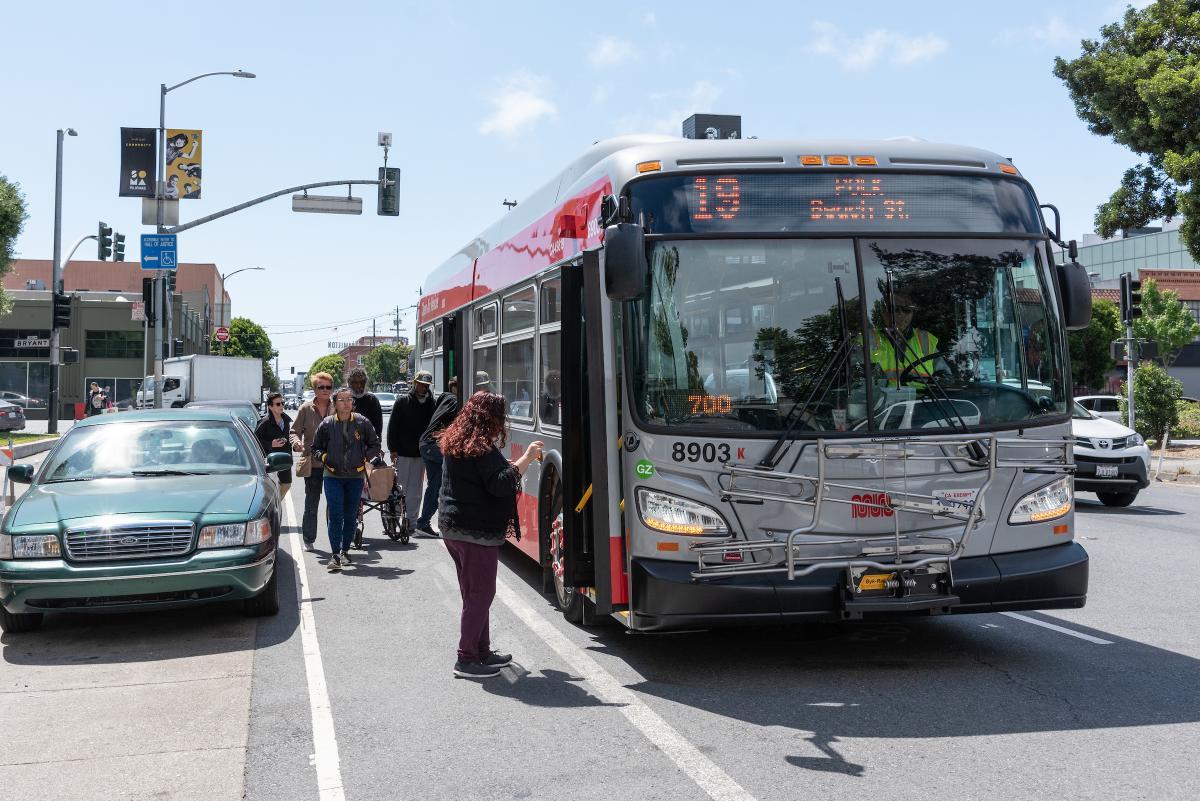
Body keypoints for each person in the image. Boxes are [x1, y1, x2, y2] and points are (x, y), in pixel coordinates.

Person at [437, 391, 543, 678]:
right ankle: (467, 658)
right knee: (481, 594)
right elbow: (500, 484)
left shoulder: (458, 441)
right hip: (474, 531)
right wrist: (528, 458)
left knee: (474, 594)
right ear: (491, 418)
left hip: (453, 527)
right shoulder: (481, 446)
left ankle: (482, 651)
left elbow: (483, 478)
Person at [312, 387, 382, 571]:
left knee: (351, 516)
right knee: (335, 515)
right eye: (341, 400)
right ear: (334, 403)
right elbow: (315, 448)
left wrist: (366, 459)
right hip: (332, 476)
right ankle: (335, 555)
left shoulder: (362, 422)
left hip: (355, 476)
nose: (346, 403)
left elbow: (375, 443)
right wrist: (326, 458)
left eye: (349, 399)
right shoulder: (327, 424)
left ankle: (345, 551)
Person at [289, 372, 335, 551]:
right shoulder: (305, 409)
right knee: (312, 503)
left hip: (334, 464)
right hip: (313, 464)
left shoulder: (338, 407)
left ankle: (336, 539)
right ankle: (308, 538)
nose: (325, 390)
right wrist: (297, 443)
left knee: (335, 504)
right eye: (320, 387)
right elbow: (293, 432)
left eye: (328, 387)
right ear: (315, 389)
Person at [387, 370, 437, 533]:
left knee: (415, 491)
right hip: (402, 452)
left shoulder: (432, 404)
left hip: (422, 453)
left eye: (426, 385)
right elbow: (392, 426)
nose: (423, 388)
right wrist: (392, 449)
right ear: (414, 383)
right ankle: (394, 520)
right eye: (421, 384)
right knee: (399, 489)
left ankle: (411, 523)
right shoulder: (402, 402)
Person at [416, 377, 460, 537]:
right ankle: (453, 521)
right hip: (435, 445)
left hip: (425, 444)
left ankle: (423, 523)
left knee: (435, 484)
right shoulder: (456, 402)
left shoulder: (444, 398)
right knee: (459, 475)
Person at [869, 289, 939, 386]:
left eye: (906, 310)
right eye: (894, 309)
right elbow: (858, 381)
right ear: (884, 313)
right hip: (882, 400)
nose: (901, 314)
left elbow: (945, 376)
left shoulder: (926, 339)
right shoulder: (867, 340)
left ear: (912, 313)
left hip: (924, 400)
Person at [255, 392, 293, 499]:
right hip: (269, 462)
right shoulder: (264, 422)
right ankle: (271, 508)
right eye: (278, 404)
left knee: (286, 484)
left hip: (284, 460)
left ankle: (275, 505)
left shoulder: (286, 420)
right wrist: (270, 444)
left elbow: (289, 438)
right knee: (270, 488)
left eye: (282, 403)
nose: (281, 406)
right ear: (270, 407)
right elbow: (255, 441)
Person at [347, 367, 383, 439]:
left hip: (368, 444)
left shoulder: (372, 400)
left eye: (362, 382)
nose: (359, 385)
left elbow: (378, 427)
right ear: (350, 383)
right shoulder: (345, 399)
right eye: (355, 382)